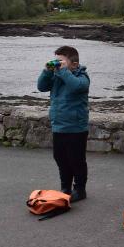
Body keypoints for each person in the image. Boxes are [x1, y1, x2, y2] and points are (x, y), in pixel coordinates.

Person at [37, 45, 90, 202]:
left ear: (73, 63)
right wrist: (47, 71)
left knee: (76, 159)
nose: (57, 64)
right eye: (56, 60)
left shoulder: (82, 77)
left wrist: (62, 71)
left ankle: (80, 189)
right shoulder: (56, 75)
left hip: (76, 127)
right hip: (59, 125)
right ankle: (65, 187)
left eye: (60, 61)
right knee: (60, 157)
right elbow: (41, 87)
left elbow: (75, 87)